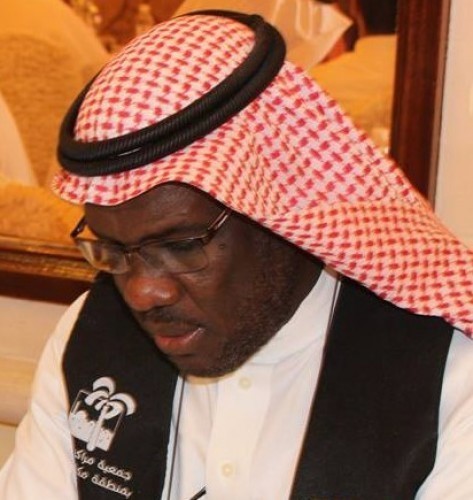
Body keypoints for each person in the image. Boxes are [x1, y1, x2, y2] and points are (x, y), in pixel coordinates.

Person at [1, 10, 472, 500]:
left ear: (277, 203)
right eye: (114, 250)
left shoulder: (447, 378)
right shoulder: (89, 335)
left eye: (182, 245)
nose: (143, 292)